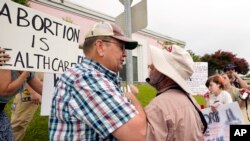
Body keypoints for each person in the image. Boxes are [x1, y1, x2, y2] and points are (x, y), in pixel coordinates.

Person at [49, 21, 147, 141]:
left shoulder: (93, 77)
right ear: (100, 47)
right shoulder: (86, 78)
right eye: (121, 47)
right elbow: (140, 135)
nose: (125, 54)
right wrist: (131, 97)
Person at [145, 45, 206, 141]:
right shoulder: (192, 101)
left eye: (156, 65)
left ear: (167, 75)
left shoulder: (158, 107)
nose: (150, 66)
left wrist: (132, 100)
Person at [0, 47, 43, 141]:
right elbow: (5, 91)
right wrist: (27, 71)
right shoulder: (5, 56)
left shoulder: (27, 62)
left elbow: (40, 87)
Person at [10, 72, 43, 141]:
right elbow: (21, 71)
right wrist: (32, 92)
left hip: (49, 84)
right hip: (30, 86)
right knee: (19, 122)